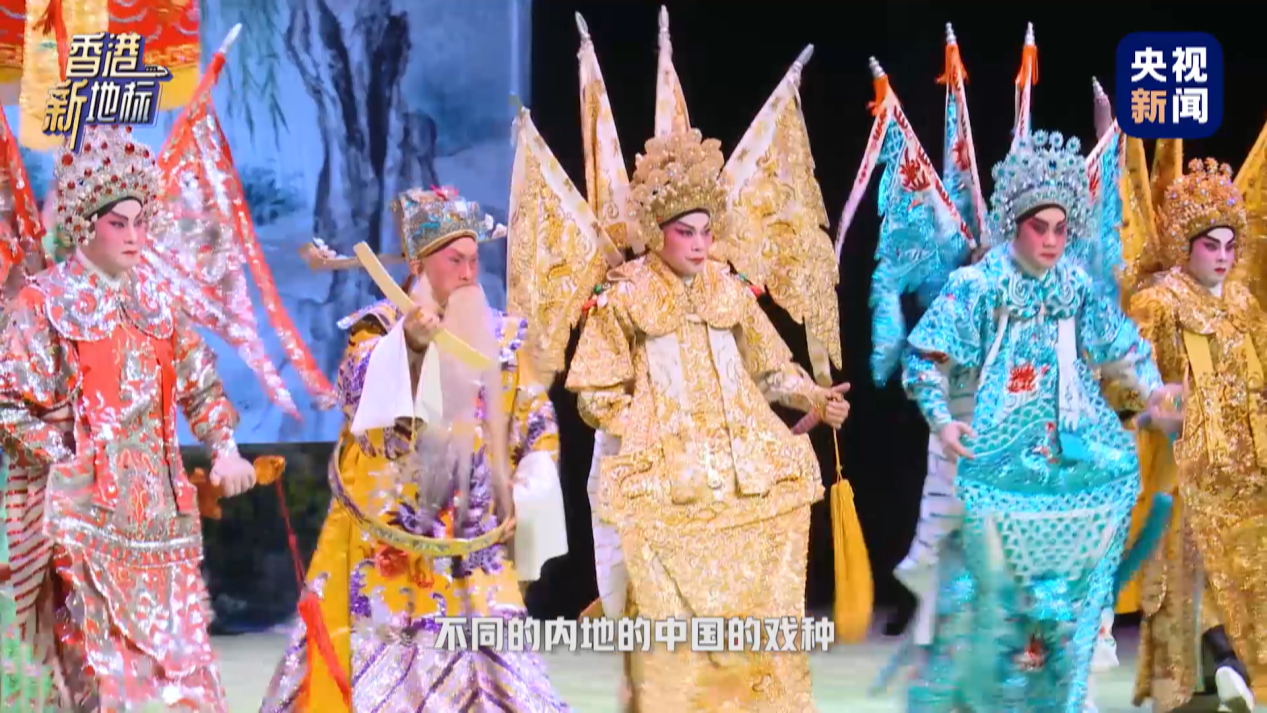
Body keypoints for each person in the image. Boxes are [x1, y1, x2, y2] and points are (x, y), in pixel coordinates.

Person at [563, 127, 849, 710]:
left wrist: (814, 398)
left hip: (745, 477)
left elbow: (771, 369)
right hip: (667, 484)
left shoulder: (729, 288)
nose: (698, 245)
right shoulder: (625, 295)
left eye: (705, 232)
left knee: (759, 613)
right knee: (671, 628)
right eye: (685, 232)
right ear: (658, 231)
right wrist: (649, 428)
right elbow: (594, 392)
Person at [901, 129, 1183, 712]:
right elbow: (924, 356)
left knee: (1078, 585)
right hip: (1001, 455)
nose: (1052, 241)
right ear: (1016, 224)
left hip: (1076, 450)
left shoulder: (1075, 285)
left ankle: (1066, 688)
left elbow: (1123, 346)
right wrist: (942, 421)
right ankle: (996, 689)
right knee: (997, 592)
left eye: (1060, 228)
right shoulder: (982, 284)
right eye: (1040, 228)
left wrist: (1154, 391)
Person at [261, 187, 569, 712]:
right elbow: (357, 397)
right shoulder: (378, 328)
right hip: (392, 538)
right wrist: (408, 344)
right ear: (420, 264)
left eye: (473, 260)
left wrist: (527, 485)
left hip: (473, 538)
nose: (468, 273)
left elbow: (536, 421)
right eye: (455, 260)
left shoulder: (503, 337)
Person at [0, 124, 259, 711]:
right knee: (103, 679)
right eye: (120, 223)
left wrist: (224, 448)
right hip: (83, 523)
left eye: (143, 222)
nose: (136, 236)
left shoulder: (159, 301)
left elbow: (200, 384)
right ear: (85, 225)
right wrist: (66, 457)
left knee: (188, 679)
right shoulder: (45, 302)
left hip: (164, 524)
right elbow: (9, 404)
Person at [1128, 157, 1266, 713]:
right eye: (1212, 245)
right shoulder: (1158, 302)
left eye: (1230, 245)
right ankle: (1222, 660)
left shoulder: (1243, 304)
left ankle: (1232, 665)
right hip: (1186, 462)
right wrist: (1155, 404)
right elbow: (1132, 376)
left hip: (1247, 464)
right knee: (1189, 564)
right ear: (1186, 245)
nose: (1223, 256)